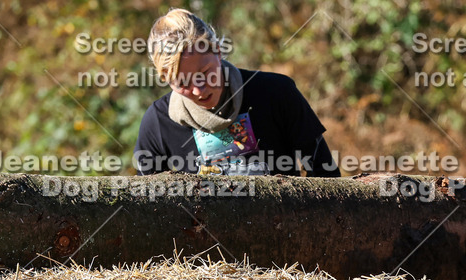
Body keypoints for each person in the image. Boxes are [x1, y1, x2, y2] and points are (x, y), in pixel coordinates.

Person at [134, 9, 339, 177]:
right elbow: (145, 209)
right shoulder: (158, 123)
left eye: (205, 73)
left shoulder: (276, 93)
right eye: (182, 83)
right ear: (165, 79)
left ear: (218, 51)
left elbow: (325, 172)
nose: (199, 89)